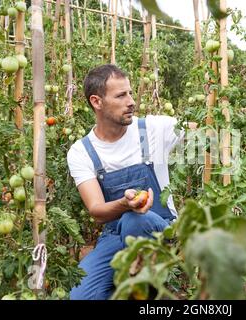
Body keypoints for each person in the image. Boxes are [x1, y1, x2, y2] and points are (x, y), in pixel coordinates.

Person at [67, 64, 191, 300]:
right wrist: (125, 204)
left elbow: (202, 127)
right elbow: (97, 210)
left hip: (160, 228)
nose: (131, 101)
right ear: (96, 102)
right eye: (121, 95)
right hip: (115, 234)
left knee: (136, 219)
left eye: (131, 93)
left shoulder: (153, 129)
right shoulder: (82, 151)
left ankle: (147, 292)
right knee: (81, 295)